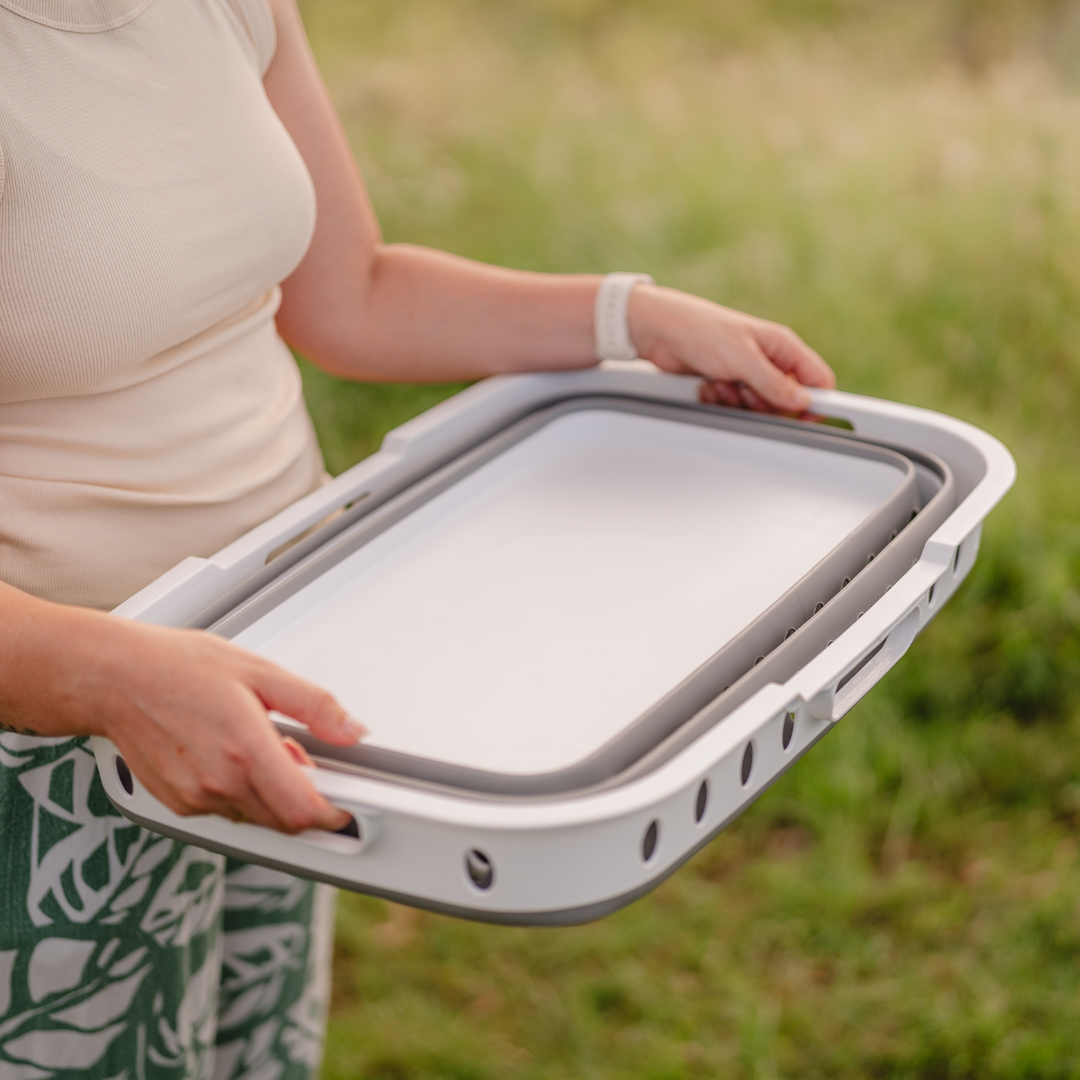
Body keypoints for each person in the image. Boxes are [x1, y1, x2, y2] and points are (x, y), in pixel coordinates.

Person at [0, 0, 836, 1076]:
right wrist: (109, 677)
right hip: (51, 743)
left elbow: (354, 294)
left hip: (278, 681)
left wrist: (632, 318)